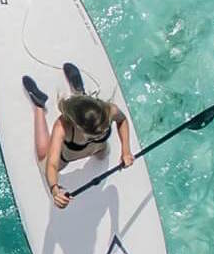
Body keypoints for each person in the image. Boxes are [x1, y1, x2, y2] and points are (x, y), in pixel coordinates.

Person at [22, 62, 133, 208]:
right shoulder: (62, 126)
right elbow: (52, 165)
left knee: (103, 154)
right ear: (76, 125)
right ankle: (39, 106)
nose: (98, 135)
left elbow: (122, 120)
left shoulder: (109, 110)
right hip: (67, 156)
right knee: (44, 156)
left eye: (103, 130)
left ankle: (80, 93)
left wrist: (126, 150)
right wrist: (55, 190)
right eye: (92, 135)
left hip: (99, 149)